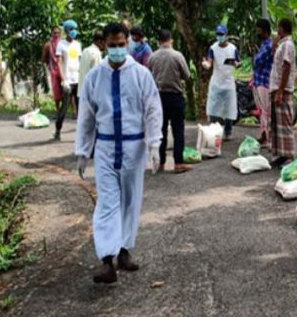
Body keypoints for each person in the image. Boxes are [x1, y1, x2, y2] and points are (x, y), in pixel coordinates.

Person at [75, 22, 163, 284]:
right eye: (111, 45)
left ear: (128, 43)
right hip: (105, 148)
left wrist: (154, 144)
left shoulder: (141, 74)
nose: (116, 49)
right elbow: (86, 116)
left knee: (130, 201)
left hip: (133, 147)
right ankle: (106, 259)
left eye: (121, 45)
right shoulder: (95, 77)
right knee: (107, 202)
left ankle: (124, 251)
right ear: (104, 45)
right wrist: (82, 150)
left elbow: (152, 110)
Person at [148, 28, 193, 174]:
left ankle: (160, 162)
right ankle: (178, 163)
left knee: (160, 130)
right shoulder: (177, 55)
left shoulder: (152, 57)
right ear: (170, 39)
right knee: (178, 130)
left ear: (159, 41)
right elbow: (186, 75)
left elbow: (148, 76)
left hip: (158, 97)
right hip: (175, 96)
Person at [201, 24, 239, 141]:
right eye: (218, 34)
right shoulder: (213, 48)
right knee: (213, 107)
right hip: (217, 82)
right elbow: (209, 62)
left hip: (228, 82)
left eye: (221, 34)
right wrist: (206, 65)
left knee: (229, 108)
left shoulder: (233, 49)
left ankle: (228, 131)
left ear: (226, 35)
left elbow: (237, 62)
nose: (219, 37)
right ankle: (213, 131)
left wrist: (236, 64)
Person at [269, 18, 297, 167]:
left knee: (284, 123)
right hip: (277, 88)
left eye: (278, 28)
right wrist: (274, 46)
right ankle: (281, 153)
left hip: (283, 89)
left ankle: (289, 155)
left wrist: (280, 91)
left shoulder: (288, 45)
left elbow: (286, 67)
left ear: (281, 28)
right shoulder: (282, 45)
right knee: (276, 124)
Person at [54, 20, 82, 140]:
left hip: (77, 79)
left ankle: (82, 134)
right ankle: (58, 129)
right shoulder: (61, 44)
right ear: (66, 30)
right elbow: (59, 63)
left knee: (81, 108)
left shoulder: (77, 44)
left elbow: (80, 61)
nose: (73, 31)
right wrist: (63, 79)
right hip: (67, 81)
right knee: (64, 108)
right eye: (71, 29)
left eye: (75, 29)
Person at [252, 19, 274, 147]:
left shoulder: (268, 46)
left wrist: (255, 58)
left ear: (265, 31)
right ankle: (264, 133)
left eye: (259, 30)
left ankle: (267, 136)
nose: (257, 33)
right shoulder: (264, 44)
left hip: (264, 81)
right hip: (259, 80)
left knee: (266, 110)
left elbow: (257, 61)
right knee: (263, 110)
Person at [42, 26, 63, 115]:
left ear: (61, 34)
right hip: (54, 71)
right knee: (56, 91)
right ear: (52, 33)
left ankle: (72, 110)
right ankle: (58, 111)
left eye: (58, 33)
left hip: (64, 70)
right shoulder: (48, 45)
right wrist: (50, 65)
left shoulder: (63, 43)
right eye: (55, 33)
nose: (56, 35)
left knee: (67, 91)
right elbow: (44, 58)